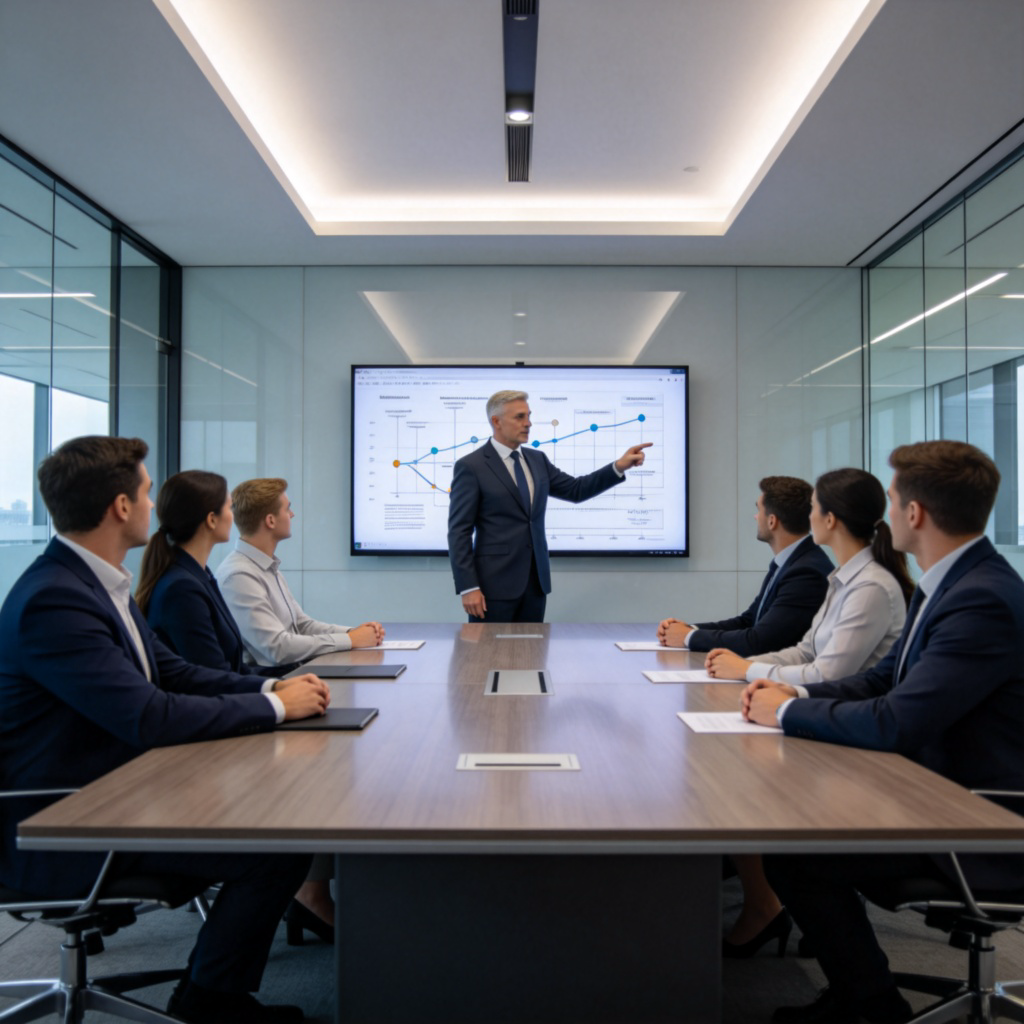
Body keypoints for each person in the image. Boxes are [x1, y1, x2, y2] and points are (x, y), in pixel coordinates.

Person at [0, 436, 331, 1024]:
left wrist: (268, 690)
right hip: (67, 820)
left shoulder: (96, 585)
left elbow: (172, 672)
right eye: (148, 492)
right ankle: (211, 1002)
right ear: (120, 507)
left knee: (279, 825)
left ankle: (211, 991)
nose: (154, 506)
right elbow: (148, 714)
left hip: (112, 793)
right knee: (275, 844)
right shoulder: (55, 600)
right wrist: (278, 710)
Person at [742, 441, 1024, 1024]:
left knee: (798, 855)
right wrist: (795, 694)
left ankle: (867, 1004)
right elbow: (882, 681)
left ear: (914, 513)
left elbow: (898, 719)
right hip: (939, 793)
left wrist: (788, 714)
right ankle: (863, 993)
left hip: (978, 819)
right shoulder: (949, 582)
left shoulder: (982, 600)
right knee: (797, 835)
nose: (886, 514)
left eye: (892, 500)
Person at [707, 468, 914, 958]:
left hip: (846, 730)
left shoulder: (869, 587)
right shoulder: (844, 579)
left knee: (744, 787)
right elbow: (804, 652)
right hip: (830, 713)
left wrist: (757, 676)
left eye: (816, 507)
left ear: (830, 518)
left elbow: (827, 674)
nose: (810, 516)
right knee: (734, 775)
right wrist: (751, 670)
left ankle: (840, 965)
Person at [135, 470, 333, 942]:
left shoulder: (198, 575)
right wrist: (275, 696)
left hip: (215, 717)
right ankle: (308, 895)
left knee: (321, 759)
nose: (232, 515)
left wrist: (275, 690)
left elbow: (214, 668)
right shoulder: (185, 585)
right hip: (197, 743)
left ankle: (313, 890)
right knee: (315, 775)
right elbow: (201, 681)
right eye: (225, 508)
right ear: (211, 519)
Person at [447, 390, 651, 622]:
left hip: (535, 585)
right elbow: (459, 531)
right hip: (491, 588)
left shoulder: (537, 460)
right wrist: (468, 586)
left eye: (529, 416)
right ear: (496, 421)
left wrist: (618, 467)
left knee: (532, 655)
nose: (528, 423)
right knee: (488, 656)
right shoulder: (471, 466)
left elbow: (576, 490)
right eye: (520, 417)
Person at [217, 478, 385, 665]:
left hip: (292, 673)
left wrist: (353, 633)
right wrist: (352, 640)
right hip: (272, 681)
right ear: (271, 520)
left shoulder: (267, 567)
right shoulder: (239, 576)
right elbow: (277, 648)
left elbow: (302, 626)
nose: (292, 514)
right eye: (287, 509)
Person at [657, 476, 833, 655]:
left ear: (772, 521)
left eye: (758, 510)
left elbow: (759, 641)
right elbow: (749, 620)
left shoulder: (806, 573)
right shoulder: (788, 562)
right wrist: (687, 629)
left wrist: (688, 637)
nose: (755, 517)